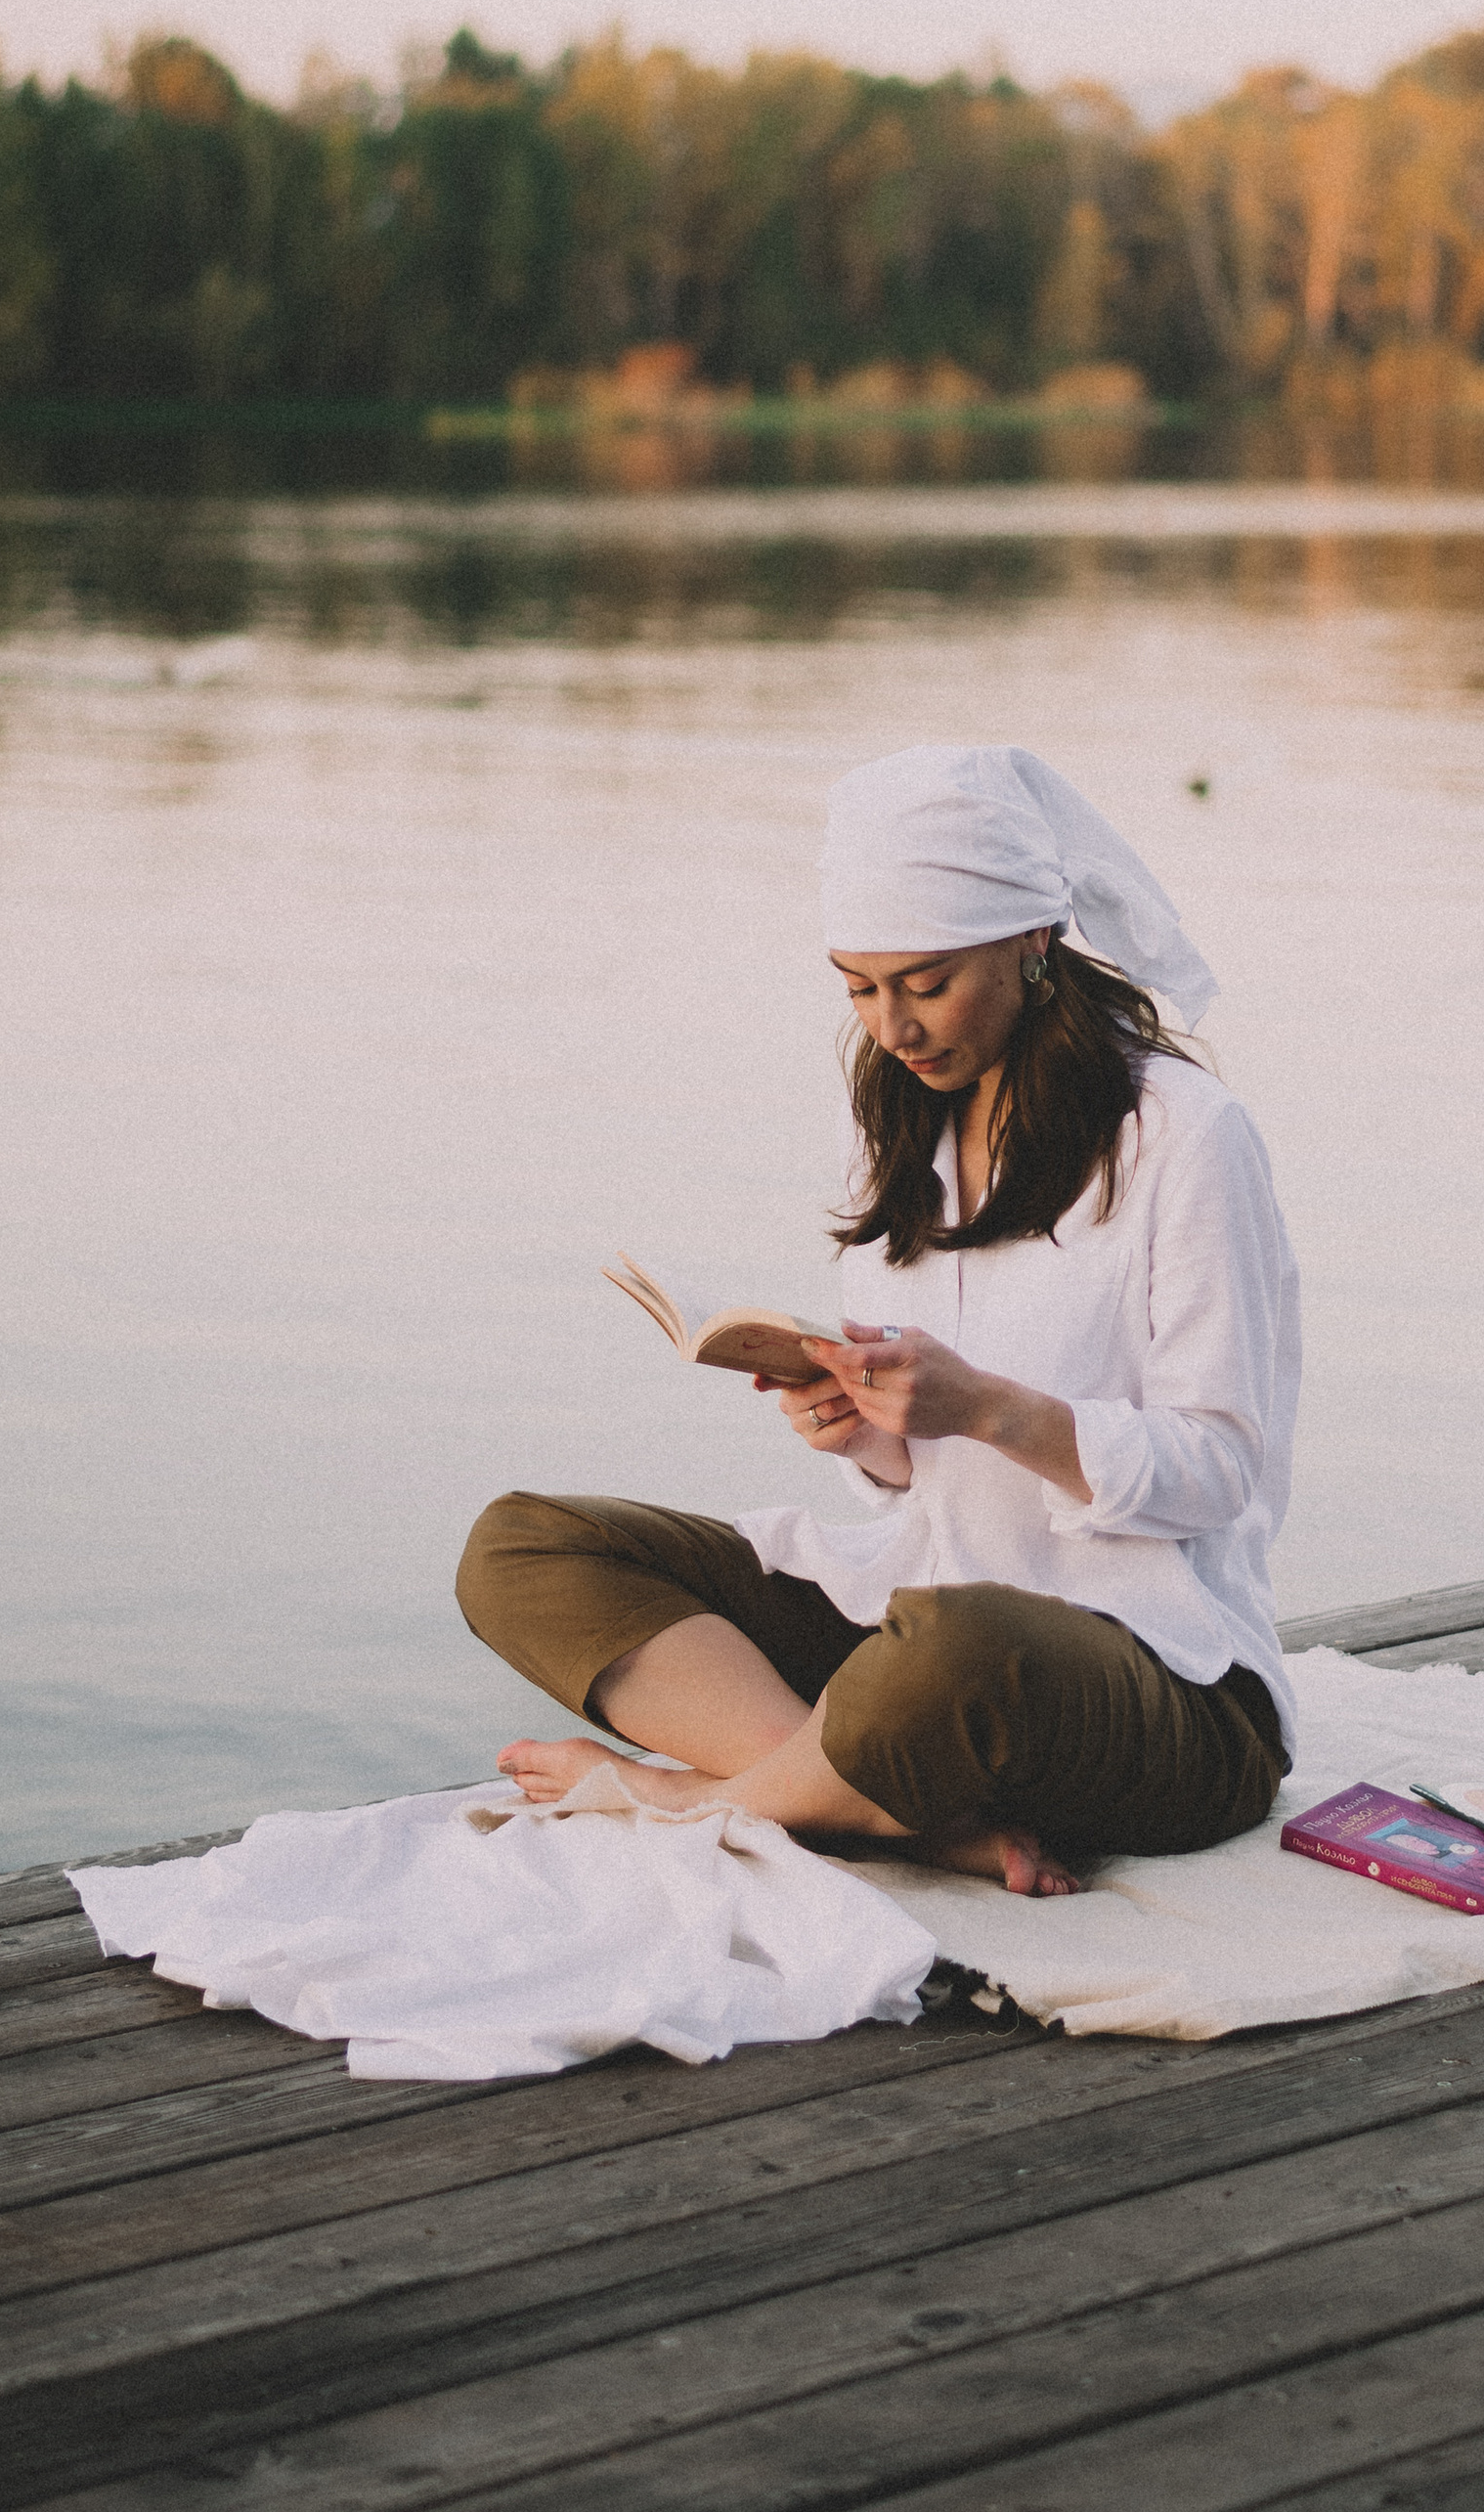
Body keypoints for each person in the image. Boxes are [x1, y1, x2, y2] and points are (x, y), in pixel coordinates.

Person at [456, 743, 1301, 1898]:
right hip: (918, 1616)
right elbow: (919, 1479)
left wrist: (993, 1410)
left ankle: (685, 1801)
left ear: (1032, 941)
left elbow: (1220, 1472)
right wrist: (861, 1429)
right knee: (525, 1546)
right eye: (858, 986)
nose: (893, 1027)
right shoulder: (907, 1123)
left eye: (924, 981)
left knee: (954, 1650)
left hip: (1160, 1679)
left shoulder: (1187, 1136)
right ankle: (879, 1812)